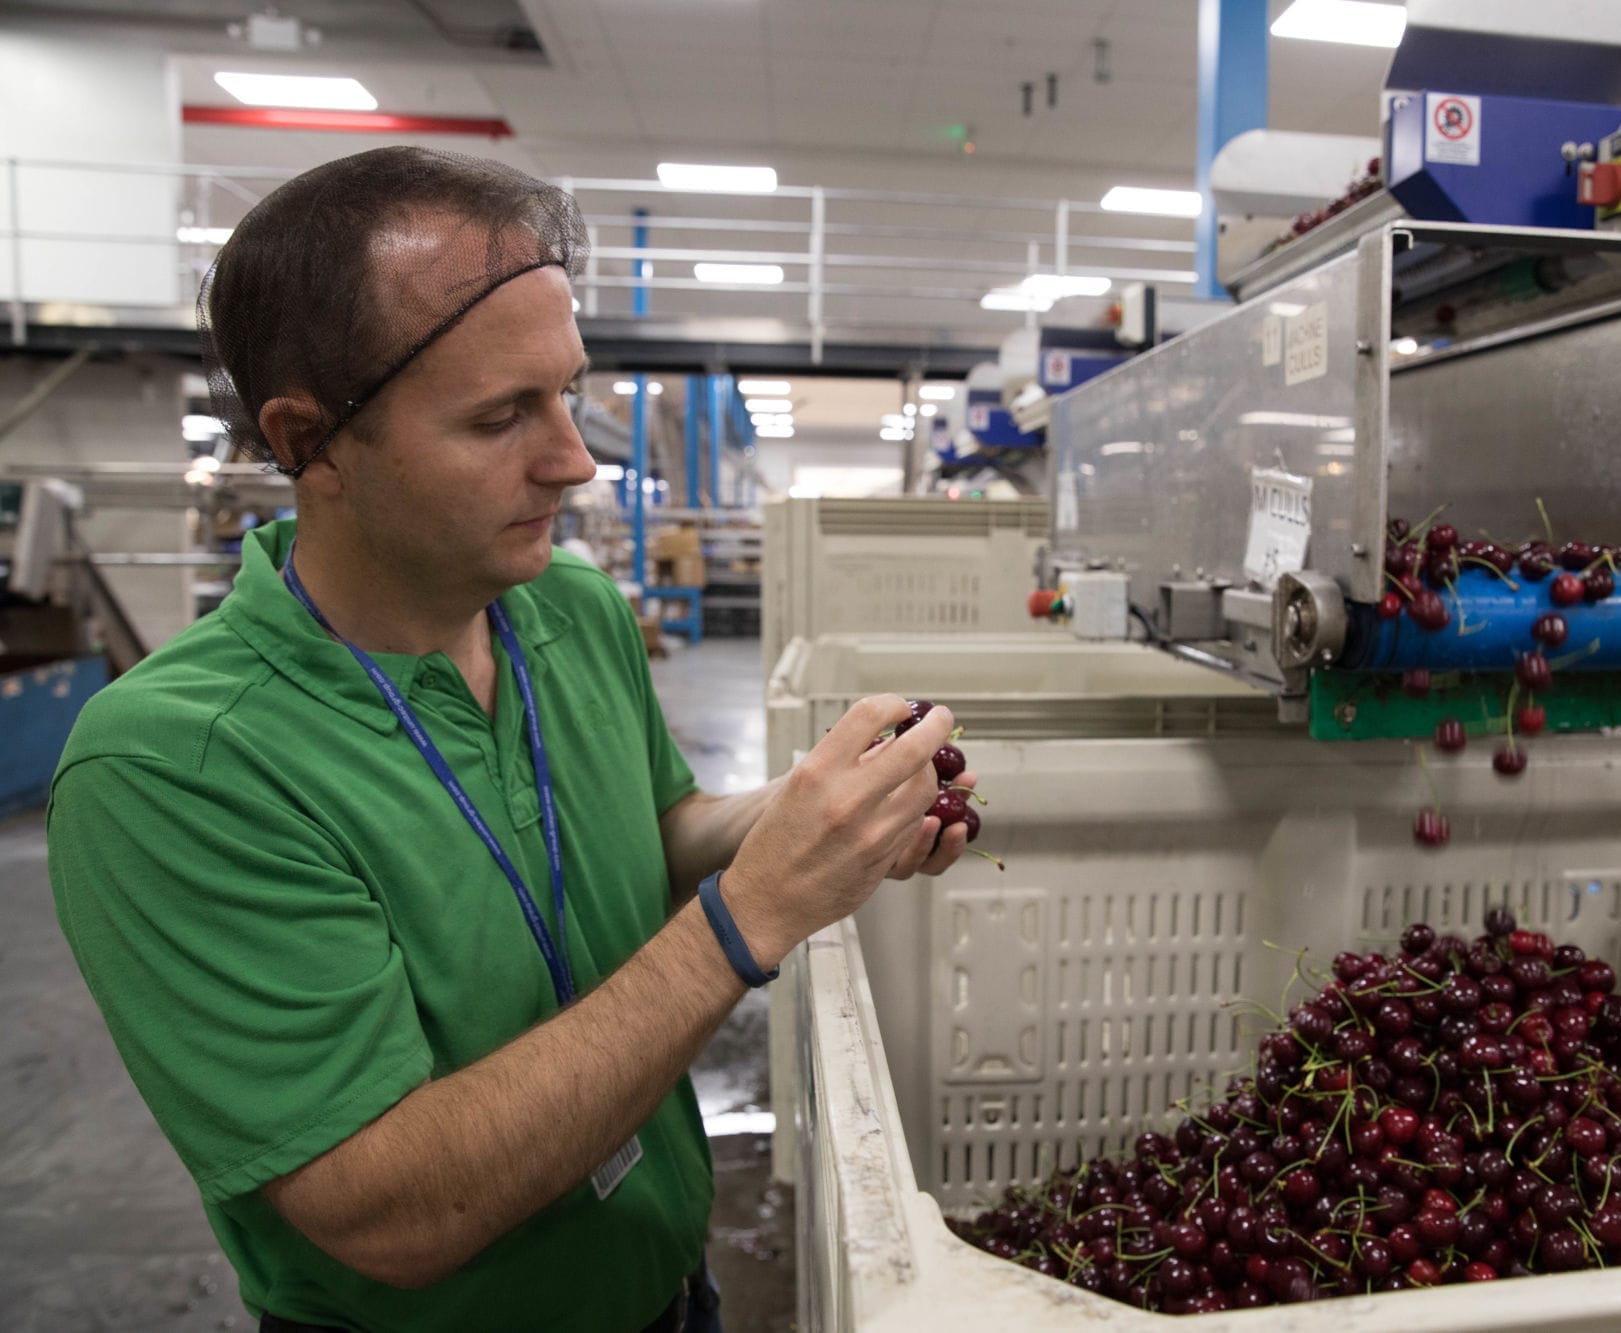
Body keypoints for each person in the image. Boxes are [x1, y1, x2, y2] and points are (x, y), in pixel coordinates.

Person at [45, 146, 974, 1333]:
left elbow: (649, 827)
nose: (575, 461)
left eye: (568, 394)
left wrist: (809, 815)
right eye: (498, 417)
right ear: (305, 439)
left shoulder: (569, 612)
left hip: (669, 1289)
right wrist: (749, 918)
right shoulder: (178, 766)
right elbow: (388, 1212)